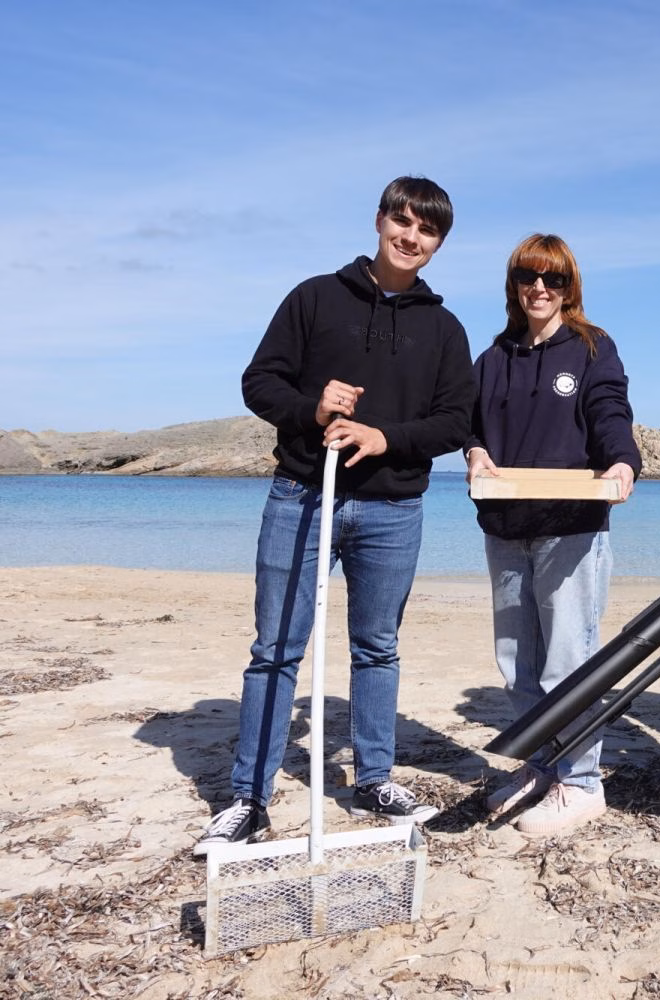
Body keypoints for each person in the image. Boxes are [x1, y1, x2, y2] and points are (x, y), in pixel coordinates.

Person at [195, 177, 476, 855]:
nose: (411, 238)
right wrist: (312, 410)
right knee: (276, 650)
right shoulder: (314, 298)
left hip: (393, 510)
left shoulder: (444, 327)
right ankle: (249, 797)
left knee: (377, 648)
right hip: (303, 498)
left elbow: (456, 420)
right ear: (380, 221)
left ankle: (373, 778)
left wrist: (387, 438)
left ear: (438, 244)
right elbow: (260, 381)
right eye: (402, 223)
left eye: (427, 231)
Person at [469, 234, 640, 836]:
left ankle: (583, 780)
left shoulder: (592, 349)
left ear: (571, 286)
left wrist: (622, 462)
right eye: (528, 276)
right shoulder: (493, 357)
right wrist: (473, 452)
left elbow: (610, 412)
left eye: (554, 278)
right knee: (518, 660)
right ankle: (539, 766)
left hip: (571, 527)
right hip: (505, 526)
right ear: (514, 284)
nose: (540, 289)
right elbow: (473, 427)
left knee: (568, 659)